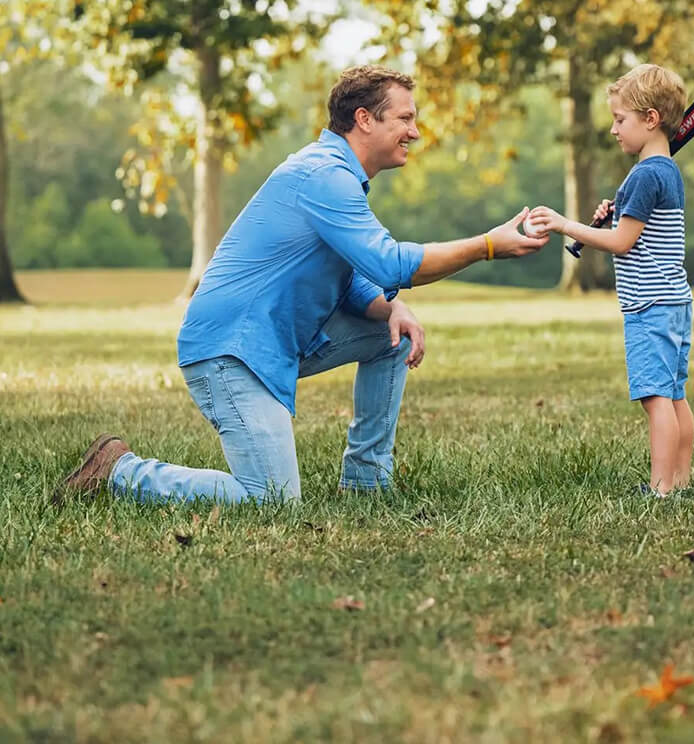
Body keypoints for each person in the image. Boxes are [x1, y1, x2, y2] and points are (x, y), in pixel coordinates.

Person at [57, 65, 548, 504]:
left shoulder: (335, 175)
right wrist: (487, 245)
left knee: (391, 335)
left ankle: (366, 482)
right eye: (404, 119)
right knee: (269, 499)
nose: (414, 132)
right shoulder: (322, 175)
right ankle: (121, 472)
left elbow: (352, 273)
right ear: (364, 119)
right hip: (230, 352)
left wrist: (389, 309)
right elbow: (392, 262)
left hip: (274, 344)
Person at [528, 64, 694, 498]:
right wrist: (617, 211)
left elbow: (622, 242)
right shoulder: (666, 171)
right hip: (674, 301)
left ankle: (660, 490)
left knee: (656, 397)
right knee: (675, 395)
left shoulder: (644, 175)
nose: (614, 129)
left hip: (649, 305)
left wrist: (567, 225)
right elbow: (636, 228)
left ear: (651, 119)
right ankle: (680, 480)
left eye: (621, 119)